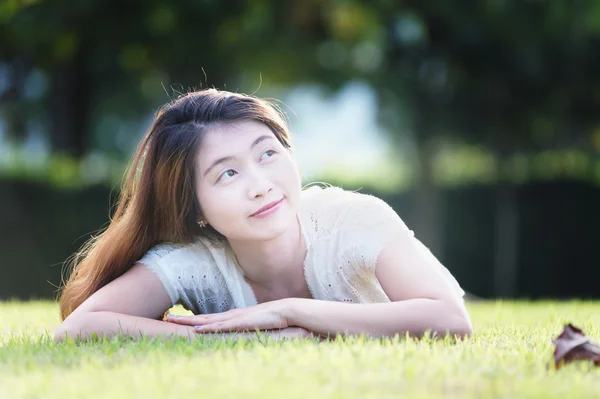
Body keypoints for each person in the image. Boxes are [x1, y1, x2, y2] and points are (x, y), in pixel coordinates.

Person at [54, 89, 473, 343]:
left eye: (268, 154)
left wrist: (291, 312)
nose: (260, 184)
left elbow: (452, 320)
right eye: (228, 173)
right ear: (194, 207)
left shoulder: (354, 221)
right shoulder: (196, 260)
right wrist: (226, 340)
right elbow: (77, 328)